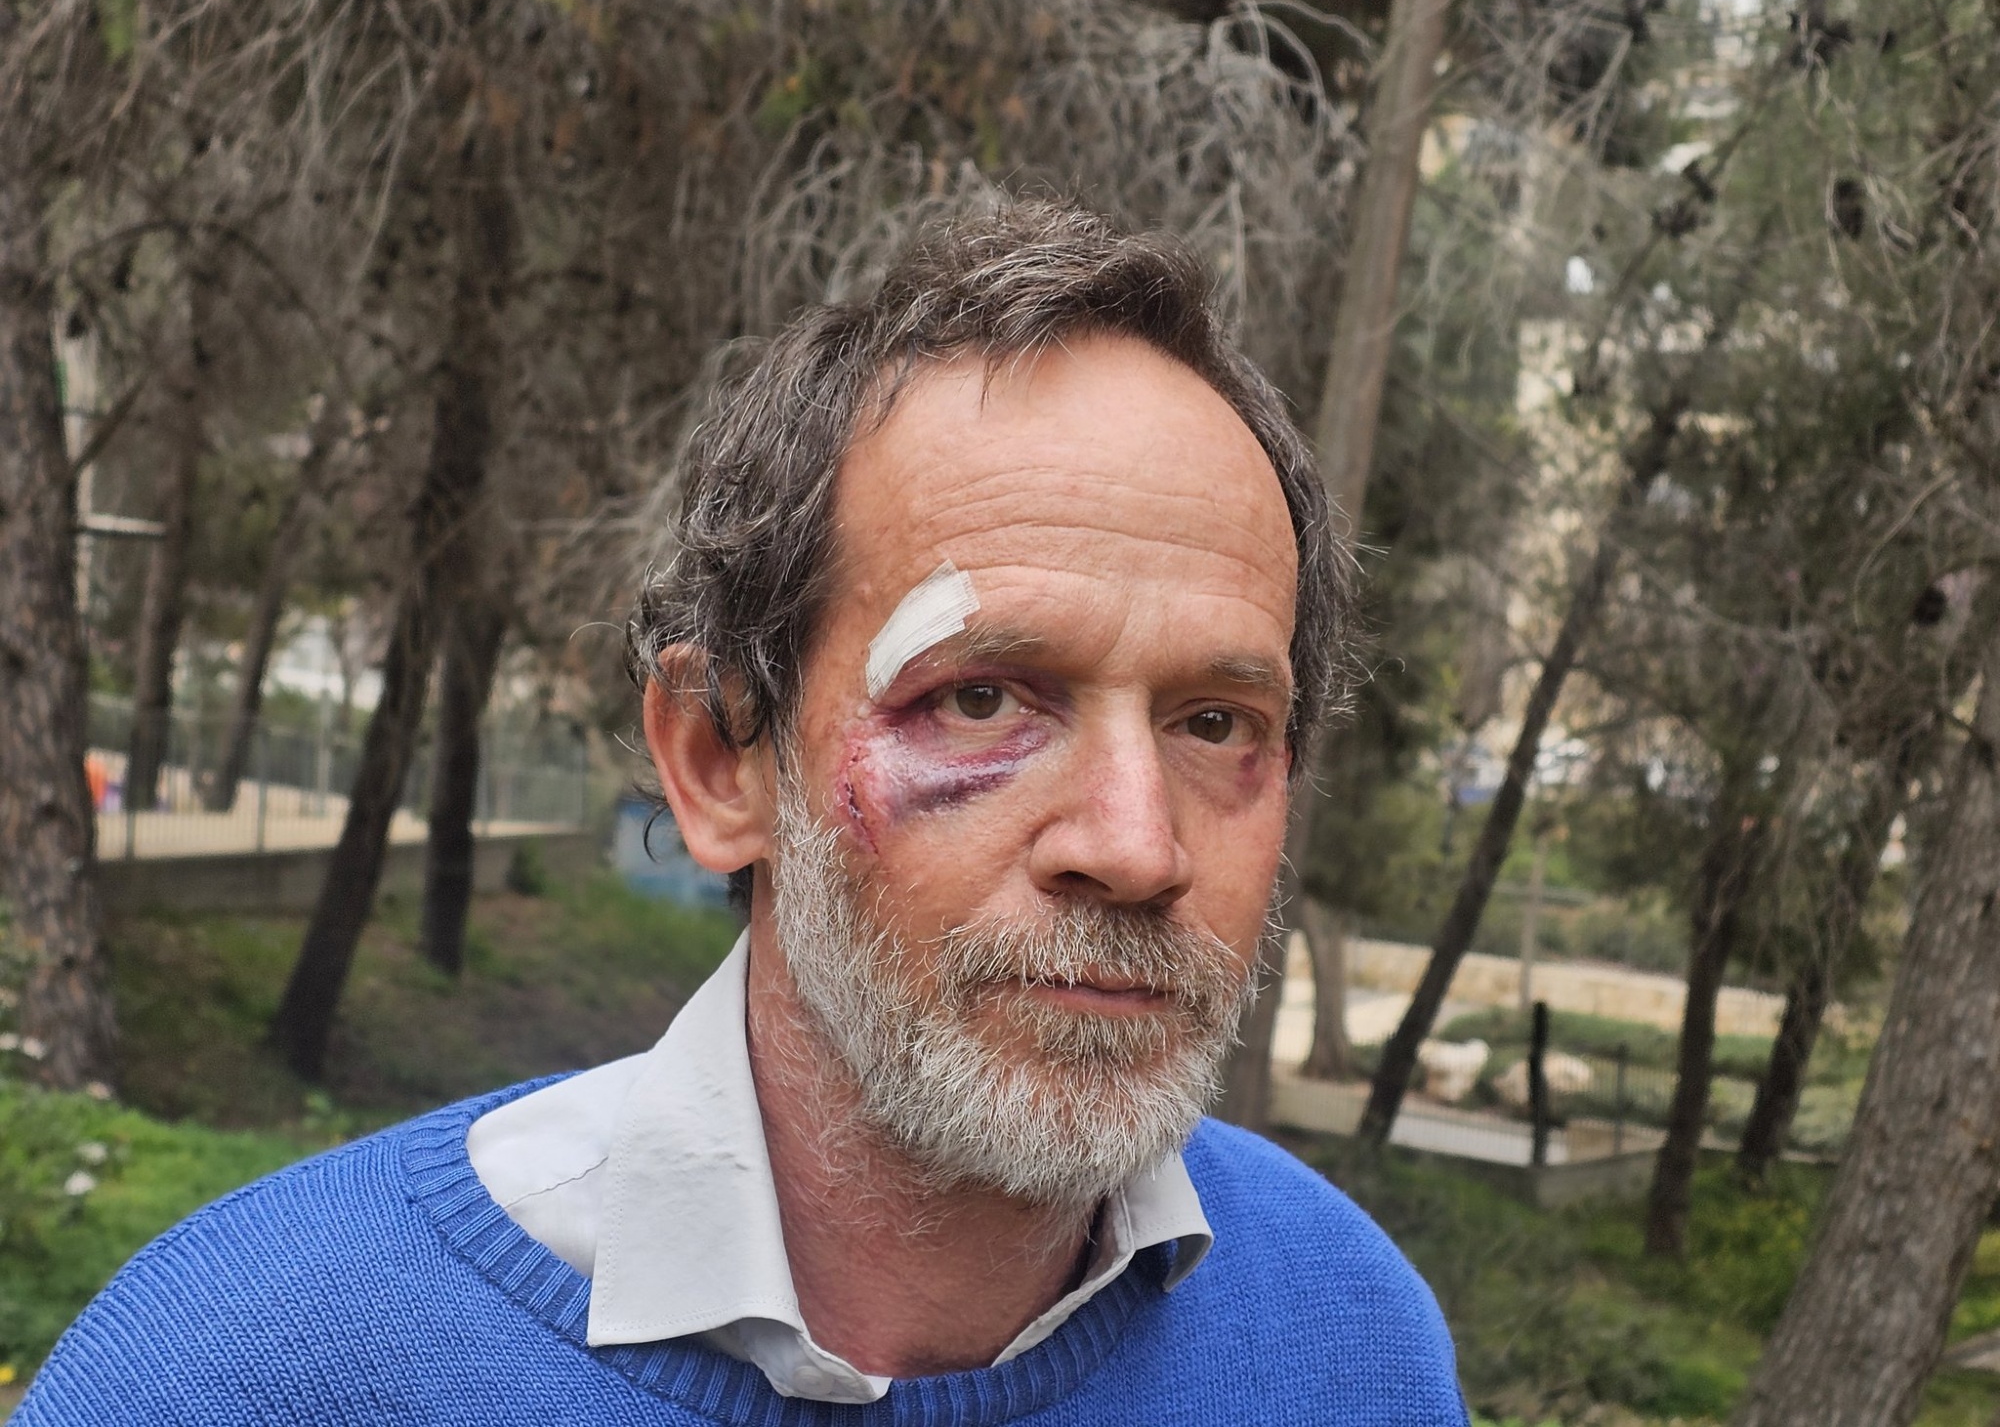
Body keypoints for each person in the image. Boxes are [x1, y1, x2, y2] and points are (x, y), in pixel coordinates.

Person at [18, 203, 1468, 1425]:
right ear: (720, 762)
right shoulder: (238, 1375)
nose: (1136, 845)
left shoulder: (1356, 1346)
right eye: (980, 700)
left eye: (1216, 723)